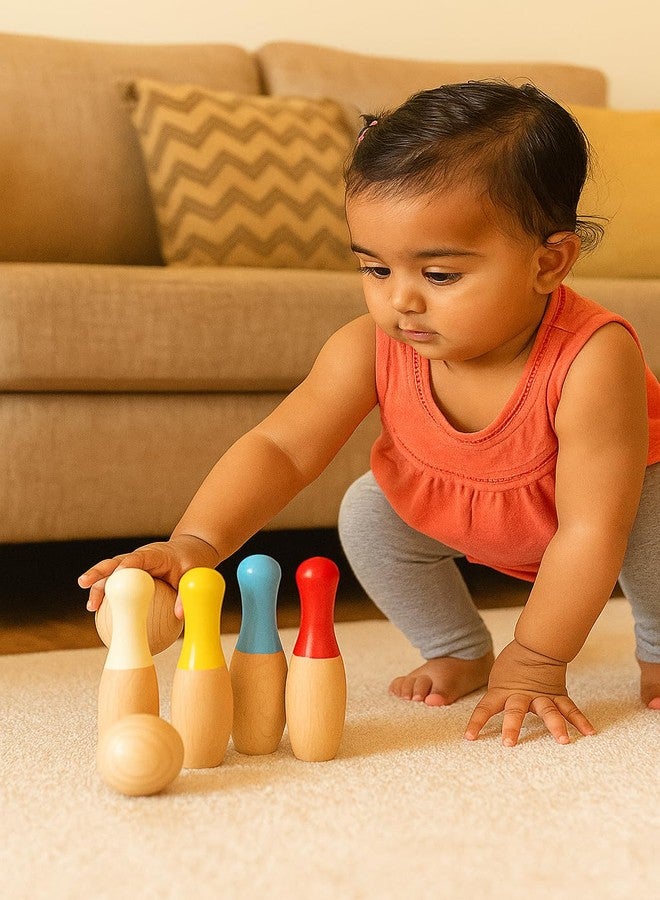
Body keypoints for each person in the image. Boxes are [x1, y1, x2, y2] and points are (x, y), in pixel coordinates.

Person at [79, 81, 660, 747]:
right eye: (376, 270)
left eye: (439, 276)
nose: (401, 302)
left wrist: (535, 660)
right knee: (369, 514)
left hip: (614, 509)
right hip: (473, 506)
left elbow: (591, 529)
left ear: (549, 263)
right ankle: (458, 647)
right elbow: (282, 447)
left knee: (656, 529)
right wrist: (196, 543)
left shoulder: (593, 359)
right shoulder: (371, 346)